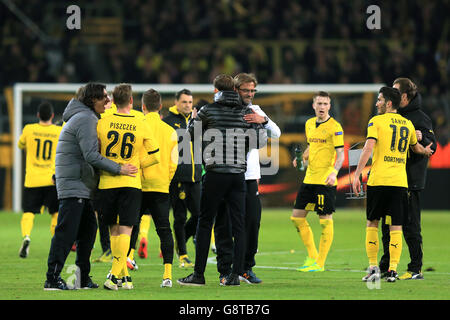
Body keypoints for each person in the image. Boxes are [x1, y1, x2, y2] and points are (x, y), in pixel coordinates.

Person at [45, 83, 138, 291]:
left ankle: (82, 277)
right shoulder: (86, 119)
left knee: (88, 231)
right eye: (104, 97)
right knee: (66, 232)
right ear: (92, 100)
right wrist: (119, 168)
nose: (108, 101)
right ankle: (52, 278)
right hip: (75, 183)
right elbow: (90, 155)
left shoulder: (84, 116)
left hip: (80, 183)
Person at [177, 74, 267, 286]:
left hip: (215, 173)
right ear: (235, 90)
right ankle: (235, 275)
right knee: (239, 226)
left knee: (206, 222)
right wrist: (257, 127)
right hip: (238, 175)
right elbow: (260, 142)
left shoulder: (208, 110)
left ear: (216, 90)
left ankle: (198, 275)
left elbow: (189, 136)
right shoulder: (247, 112)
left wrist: (195, 120)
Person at [352, 86, 433, 283]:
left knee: (373, 222)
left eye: (379, 100)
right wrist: (425, 151)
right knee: (396, 226)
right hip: (399, 183)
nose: (377, 103)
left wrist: (356, 174)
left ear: (389, 103)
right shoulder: (407, 124)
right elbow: (416, 147)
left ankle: (373, 268)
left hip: (379, 180)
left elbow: (368, 148)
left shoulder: (376, 121)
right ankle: (394, 270)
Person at [214, 73, 281, 284]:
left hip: (249, 176)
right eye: (246, 90)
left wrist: (264, 120)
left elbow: (276, 133)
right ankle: (225, 269)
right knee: (224, 223)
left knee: (252, 221)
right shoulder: (224, 110)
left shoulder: (256, 111)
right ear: (236, 90)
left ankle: (245, 267)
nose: (250, 94)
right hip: (226, 173)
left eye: (253, 91)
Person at [97, 84, 160, 290]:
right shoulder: (140, 121)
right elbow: (155, 155)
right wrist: (135, 167)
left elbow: (95, 148)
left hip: (107, 181)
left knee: (114, 229)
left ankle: (123, 276)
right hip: (131, 182)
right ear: (132, 101)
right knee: (126, 228)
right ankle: (115, 275)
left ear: (113, 101)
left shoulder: (103, 120)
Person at [378, 78, 437, 280]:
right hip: (390, 179)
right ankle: (386, 266)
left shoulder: (420, 118)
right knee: (387, 226)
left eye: (394, 91)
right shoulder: (389, 116)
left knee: (411, 225)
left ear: (403, 96)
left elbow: (432, 146)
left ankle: (415, 268)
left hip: (410, 180)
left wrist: (421, 138)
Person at [290, 91, 345, 272]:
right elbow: (312, 145)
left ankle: (320, 263)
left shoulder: (335, 127)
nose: (322, 107)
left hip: (325, 180)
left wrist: (334, 173)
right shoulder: (309, 124)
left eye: (325, 104)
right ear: (313, 106)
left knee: (325, 220)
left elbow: (341, 154)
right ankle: (312, 255)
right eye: (319, 103)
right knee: (296, 218)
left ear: (329, 106)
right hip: (309, 178)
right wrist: (302, 158)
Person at [137, 88, 178, 287]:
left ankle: (123, 272)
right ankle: (167, 275)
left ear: (142, 107)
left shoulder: (137, 126)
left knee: (130, 228)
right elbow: (174, 163)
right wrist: (165, 180)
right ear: (160, 107)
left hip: (137, 185)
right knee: (164, 230)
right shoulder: (170, 131)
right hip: (161, 186)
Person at [163, 89, 202, 268]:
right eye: (184, 102)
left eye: (190, 102)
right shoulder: (168, 123)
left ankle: (180, 243)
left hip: (196, 176)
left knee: (199, 214)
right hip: (177, 177)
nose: (187, 105)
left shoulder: (197, 121)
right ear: (176, 102)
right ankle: (183, 254)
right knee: (179, 216)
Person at [18, 101, 62, 258]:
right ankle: (56, 243)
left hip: (32, 180)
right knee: (55, 213)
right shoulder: (58, 131)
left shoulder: (29, 129)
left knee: (29, 212)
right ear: (51, 115)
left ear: (37, 115)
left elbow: (20, 144)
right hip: (51, 179)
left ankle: (27, 237)